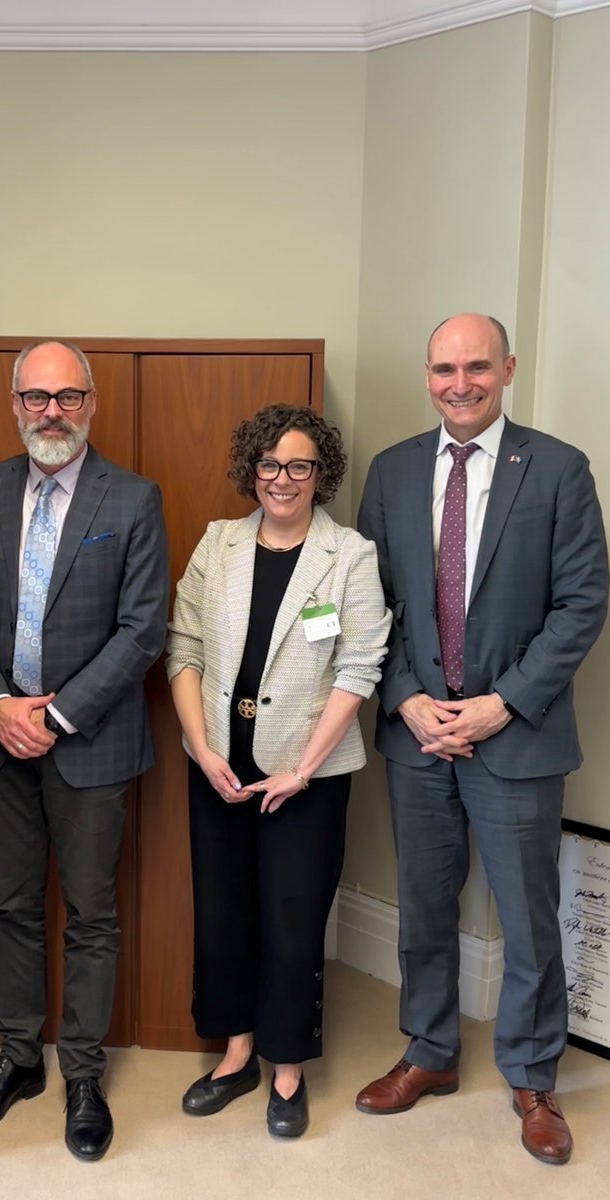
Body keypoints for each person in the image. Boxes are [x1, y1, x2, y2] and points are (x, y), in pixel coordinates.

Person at [355, 313, 608, 1164]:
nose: (457, 384)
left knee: (529, 919)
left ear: (504, 369)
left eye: (474, 368)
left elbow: (582, 604)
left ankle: (533, 1075)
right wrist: (404, 699)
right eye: (441, 369)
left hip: (516, 734)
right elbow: (368, 608)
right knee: (424, 909)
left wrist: (504, 702)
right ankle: (428, 1051)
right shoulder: (390, 473)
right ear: (425, 375)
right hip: (418, 736)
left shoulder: (560, 469)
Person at [0, 339, 168, 1161]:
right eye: (35, 396)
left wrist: (58, 714)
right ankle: (16, 1057)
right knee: (8, 907)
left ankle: (80, 1070)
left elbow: (143, 628)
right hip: (1, 742)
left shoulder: (133, 498)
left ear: (91, 403)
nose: (50, 411)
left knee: (90, 914)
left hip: (92, 743)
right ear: (14, 405)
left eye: (66, 397)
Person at [167, 404, 390, 1138]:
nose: (283, 479)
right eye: (269, 465)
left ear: (320, 472)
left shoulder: (348, 555)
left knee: (293, 925)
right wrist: (201, 749)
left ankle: (287, 1067)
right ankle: (236, 1052)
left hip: (308, 779)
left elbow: (359, 668)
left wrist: (302, 767)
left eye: (299, 465)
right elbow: (185, 648)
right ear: (250, 471)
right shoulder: (218, 543)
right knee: (223, 914)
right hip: (220, 769)